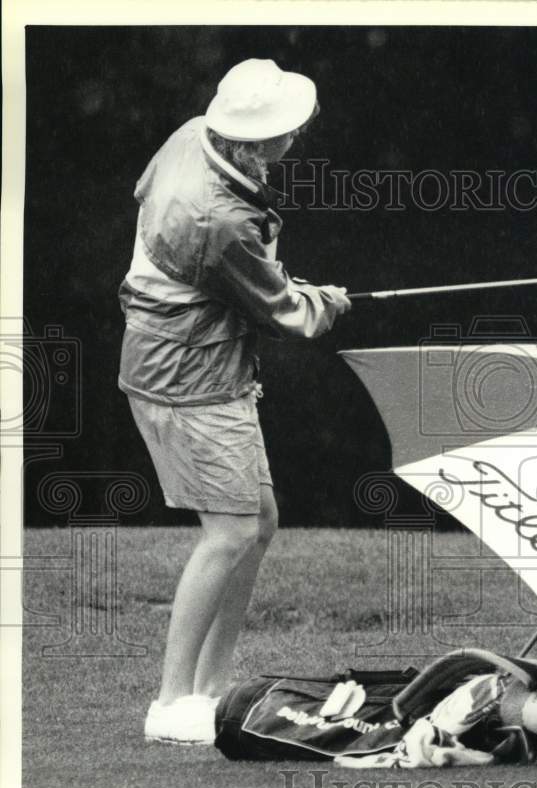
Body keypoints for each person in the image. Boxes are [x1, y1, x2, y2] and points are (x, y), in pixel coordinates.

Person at [117, 58, 352, 743]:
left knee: (261, 520)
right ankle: (169, 704)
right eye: (285, 130)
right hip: (187, 378)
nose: (296, 136)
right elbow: (289, 315)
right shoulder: (218, 220)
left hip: (193, 360)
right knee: (228, 532)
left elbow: (151, 201)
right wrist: (323, 301)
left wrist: (260, 280)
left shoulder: (195, 135)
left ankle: (209, 690)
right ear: (251, 142)